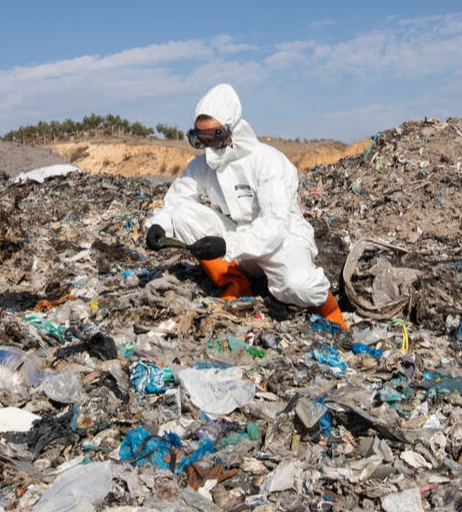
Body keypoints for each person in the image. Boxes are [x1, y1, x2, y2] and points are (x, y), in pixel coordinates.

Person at [143, 83, 348, 330]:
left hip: (281, 241)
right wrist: (159, 225)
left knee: (298, 285)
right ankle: (236, 283)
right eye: (200, 138)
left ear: (231, 129)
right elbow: (177, 201)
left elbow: (275, 223)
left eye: (213, 136)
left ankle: (332, 310)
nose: (208, 145)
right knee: (180, 215)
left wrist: (228, 245)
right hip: (237, 241)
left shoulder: (267, 161)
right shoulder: (203, 165)